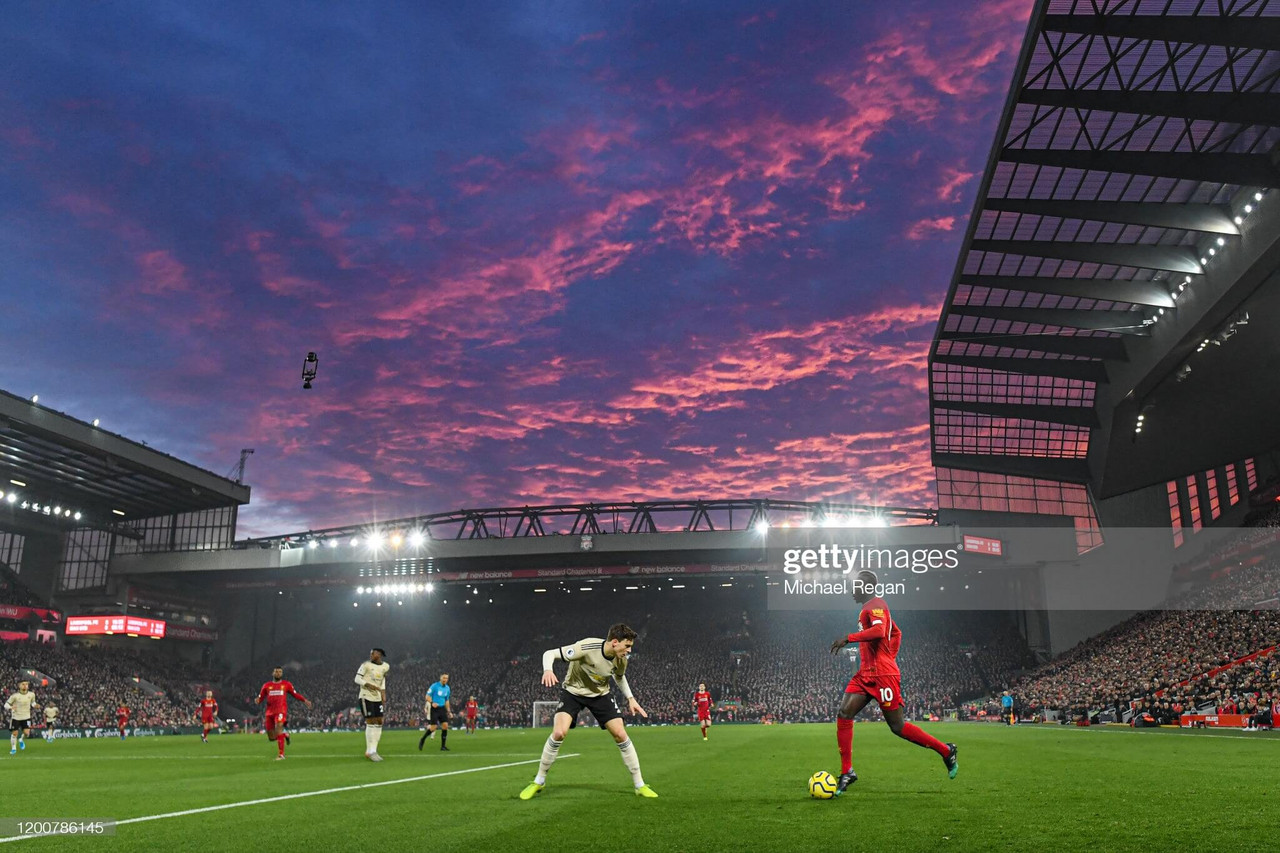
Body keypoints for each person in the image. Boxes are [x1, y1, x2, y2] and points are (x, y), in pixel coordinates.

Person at [829, 571, 958, 796]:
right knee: (844, 713)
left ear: (867, 586)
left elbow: (880, 631)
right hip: (865, 674)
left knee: (897, 727)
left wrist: (849, 639)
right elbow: (896, 632)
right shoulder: (867, 609)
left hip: (882, 676)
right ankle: (847, 771)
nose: (852, 590)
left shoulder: (876, 604)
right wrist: (890, 655)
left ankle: (946, 751)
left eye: (856, 585)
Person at [519, 623, 657, 800]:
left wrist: (631, 698)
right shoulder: (586, 647)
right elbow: (549, 653)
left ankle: (639, 785)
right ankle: (539, 781)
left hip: (600, 695)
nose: (629, 650)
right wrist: (548, 670)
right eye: (627, 646)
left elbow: (619, 677)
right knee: (559, 732)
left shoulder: (621, 659)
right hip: (573, 692)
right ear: (615, 642)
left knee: (621, 734)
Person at [255, 666, 311, 760]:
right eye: (276, 671)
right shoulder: (266, 685)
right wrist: (257, 700)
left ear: (282, 674)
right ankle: (285, 735)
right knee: (272, 737)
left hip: (280, 711)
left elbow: (295, 694)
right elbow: (260, 698)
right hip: (269, 713)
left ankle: (281, 754)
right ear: (273, 673)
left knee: (279, 729)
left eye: (280, 672)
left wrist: (305, 700)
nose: (278, 673)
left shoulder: (286, 684)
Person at [354, 648, 390, 761]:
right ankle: (371, 751)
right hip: (366, 696)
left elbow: (382, 680)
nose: (370, 655)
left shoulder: (386, 666)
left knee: (379, 721)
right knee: (370, 721)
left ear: (379, 655)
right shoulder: (365, 665)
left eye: (373, 653)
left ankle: (374, 749)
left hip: (377, 697)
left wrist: (383, 693)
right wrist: (370, 685)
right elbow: (357, 679)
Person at [419, 674, 452, 751]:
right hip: (435, 709)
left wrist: (449, 711)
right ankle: (422, 739)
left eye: (447, 678)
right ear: (440, 678)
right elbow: (427, 696)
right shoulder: (434, 686)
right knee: (434, 727)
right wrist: (432, 702)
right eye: (444, 678)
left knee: (445, 726)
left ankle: (443, 746)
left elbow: (447, 700)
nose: (445, 679)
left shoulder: (447, 688)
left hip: (442, 708)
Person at [5, 681, 39, 755]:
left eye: (26, 684)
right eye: (23, 684)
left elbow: (32, 703)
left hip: (26, 717)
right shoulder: (15, 696)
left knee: (27, 733)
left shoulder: (32, 694)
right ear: (19, 686)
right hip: (16, 717)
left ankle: (21, 739)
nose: (25, 686)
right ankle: (13, 748)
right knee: (15, 733)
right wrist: (11, 707)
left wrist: (35, 705)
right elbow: (6, 705)